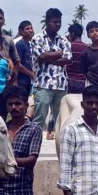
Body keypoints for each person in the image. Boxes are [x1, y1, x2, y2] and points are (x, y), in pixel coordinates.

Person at [31, 8, 71, 140]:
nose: (57, 25)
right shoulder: (37, 38)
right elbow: (41, 56)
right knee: (39, 119)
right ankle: (33, 148)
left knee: (62, 120)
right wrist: (59, 54)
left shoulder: (64, 40)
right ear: (47, 21)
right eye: (54, 22)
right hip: (43, 84)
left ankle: (62, 147)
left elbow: (68, 59)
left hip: (60, 85)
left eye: (59, 22)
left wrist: (49, 57)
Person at [14, 20, 36, 96]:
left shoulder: (32, 44)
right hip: (21, 80)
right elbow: (18, 64)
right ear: (21, 31)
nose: (30, 30)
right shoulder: (19, 44)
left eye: (31, 28)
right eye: (27, 29)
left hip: (30, 81)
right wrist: (31, 74)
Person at [65, 23, 88, 94]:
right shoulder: (87, 48)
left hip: (69, 81)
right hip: (82, 82)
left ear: (73, 33)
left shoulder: (68, 47)